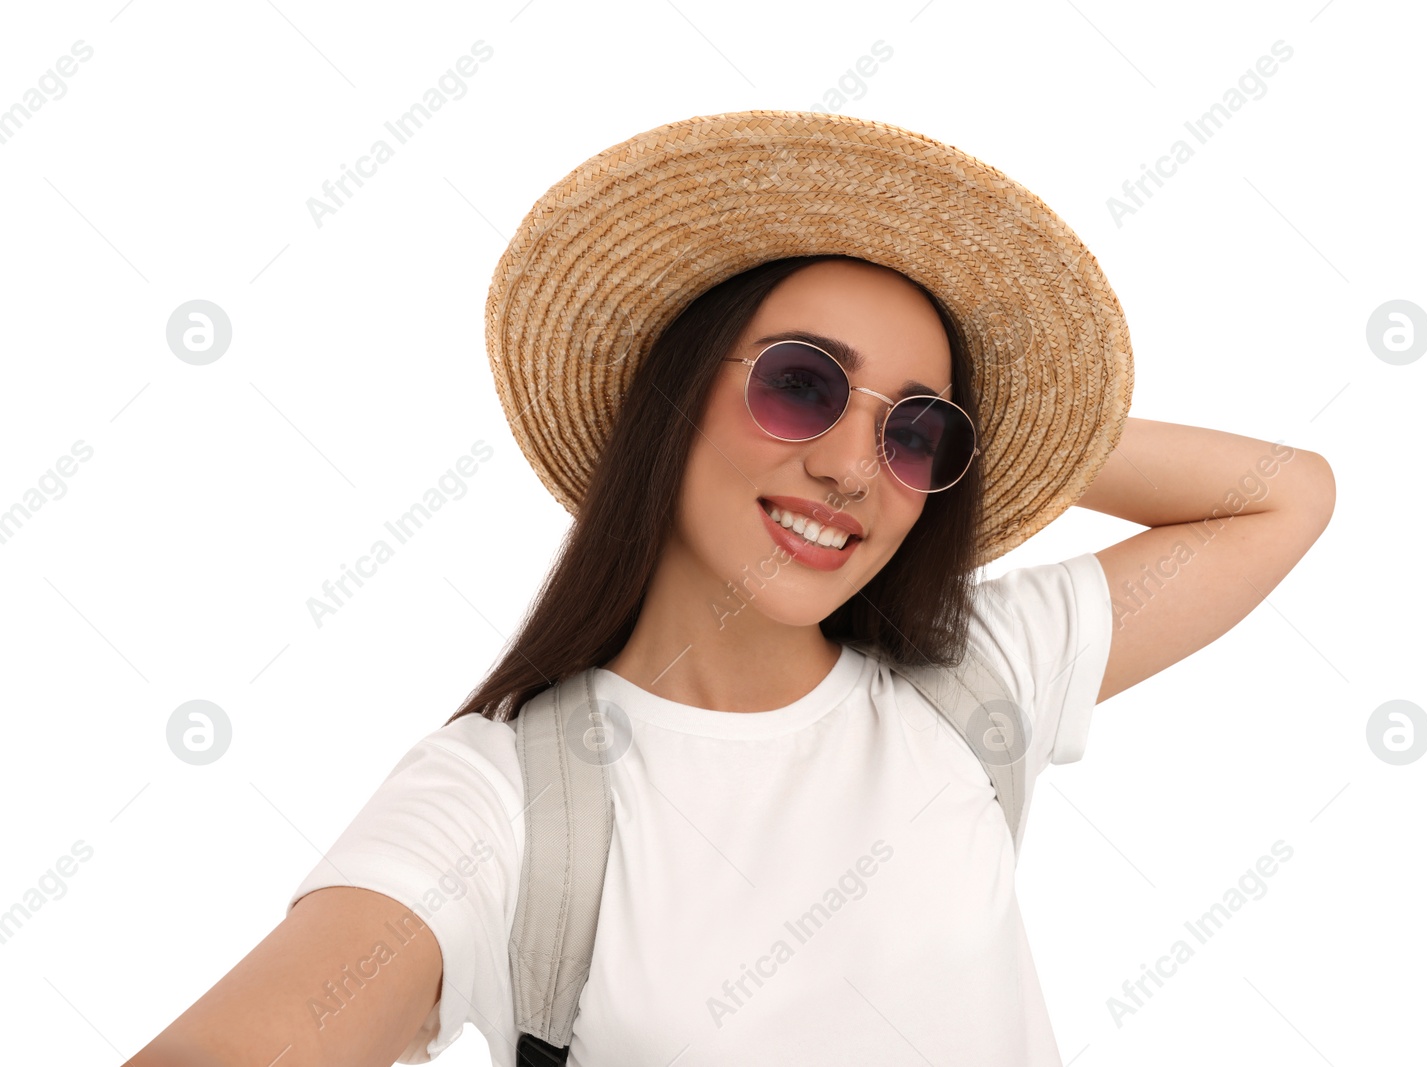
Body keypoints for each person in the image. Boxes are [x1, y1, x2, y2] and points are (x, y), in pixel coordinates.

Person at [124, 114, 1334, 1067]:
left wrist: (1005, 432)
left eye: (914, 430)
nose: (856, 465)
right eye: (803, 385)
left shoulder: (974, 681)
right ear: (673, 392)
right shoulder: (508, 801)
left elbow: (1284, 492)